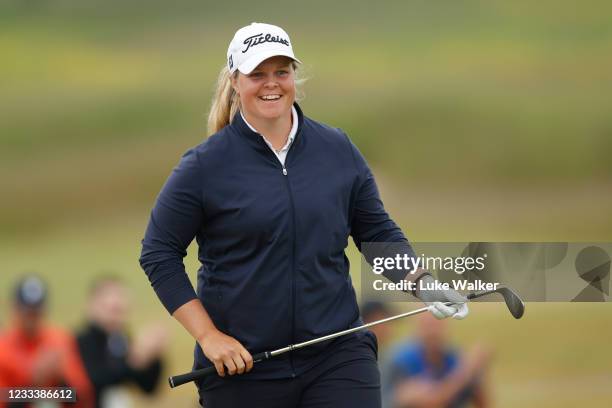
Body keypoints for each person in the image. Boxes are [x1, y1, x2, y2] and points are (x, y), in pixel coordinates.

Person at [139, 22, 469, 408]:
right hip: (244, 368)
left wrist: (421, 281)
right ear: (235, 80)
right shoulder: (205, 166)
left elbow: (375, 232)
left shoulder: (336, 149)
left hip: (337, 356)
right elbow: (158, 253)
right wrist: (209, 337)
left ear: (294, 76)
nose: (271, 84)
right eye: (257, 74)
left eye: (282, 72)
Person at [0, 275, 94, 408]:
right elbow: (4, 399)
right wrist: (34, 383)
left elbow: (81, 396)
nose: (32, 318)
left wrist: (60, 377)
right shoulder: (3, 347)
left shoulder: (60, 340)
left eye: (36, 312)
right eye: (27, 313)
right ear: (15, 309)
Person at [75, 276, 168, 408]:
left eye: (119, 309)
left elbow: (148, 388)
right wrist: (134, 360)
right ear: (91, 305)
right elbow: (91, 384)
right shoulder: (79, 341)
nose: (116, 315)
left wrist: (152, 358)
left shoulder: (119, 340)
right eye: (110, 308)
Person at [383, 313, 491, 408]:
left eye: (438, 325)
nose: (433, 331)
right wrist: (467, 370)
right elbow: (432, 402)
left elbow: (479, 397)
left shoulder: (452, 356)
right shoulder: (401, 360)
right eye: (428, 325)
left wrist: (477, 374)